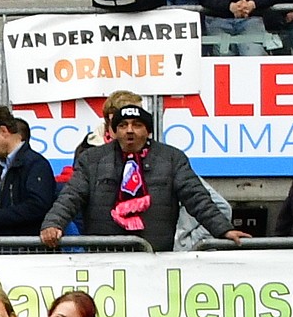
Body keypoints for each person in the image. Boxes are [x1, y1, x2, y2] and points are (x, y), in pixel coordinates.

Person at [39, 102, 244, 250]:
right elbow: (70, 196)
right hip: (102, 257)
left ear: (148, 130)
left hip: (155, 258)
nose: (129, 131)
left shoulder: (172, 158)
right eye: (123, 125)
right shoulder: (92, 159)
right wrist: (53, 224)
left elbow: (197, 198)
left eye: (137, 125)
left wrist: (223, 230)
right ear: (114, 131)